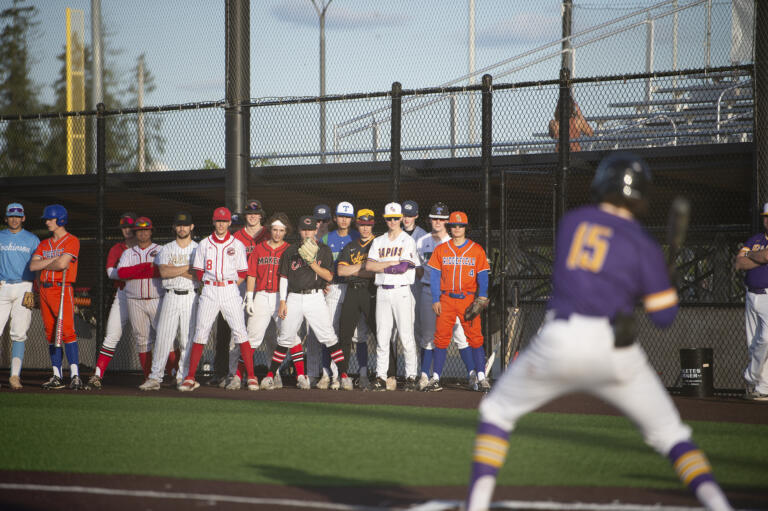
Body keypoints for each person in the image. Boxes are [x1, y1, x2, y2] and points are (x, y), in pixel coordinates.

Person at [465, 152, 733, 511]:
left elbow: (589, 273)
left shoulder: (575, 222)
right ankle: (719, 505)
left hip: (560, 340)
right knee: (672, 435)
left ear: (602, 185)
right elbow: (664, 317)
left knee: (497, 412)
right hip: (615, 350)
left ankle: (476, 504)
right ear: (640, 195)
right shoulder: (645, 245)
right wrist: (663, 284)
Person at [266, 215, 352, 390]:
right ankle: (269, 376)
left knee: (328, 337)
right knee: (285, 338)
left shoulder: (324, 250)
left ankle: (344, 375)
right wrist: (282, 301)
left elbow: (329, 276)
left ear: (315, 230)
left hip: (315, 297)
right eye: (304, 229)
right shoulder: (290, 251)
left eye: (310, 229)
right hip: (294, 297)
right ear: (299, 231)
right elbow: (283, 277)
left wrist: (312, 263)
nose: (307, 233)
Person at [180, 207, 258, 392]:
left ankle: (252, 377)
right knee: (201, 333)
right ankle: (190, 377)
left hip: (230, 289)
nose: (221, 224)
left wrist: (229, 285)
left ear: (230, 222)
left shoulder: (237, 244)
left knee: (240, 333)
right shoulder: (204, 244)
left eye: (224, 221)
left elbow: (243, 272)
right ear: (214, 222)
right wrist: (210, 284)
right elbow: (198, 271)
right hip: (210, 290)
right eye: (218, 221)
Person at [415, 202, 476, 392]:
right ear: (429, 219)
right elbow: (418, 270)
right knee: (428, 336)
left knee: (460, 336)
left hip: (451, 295)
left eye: (442, 219)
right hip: (427, 291)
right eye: (435, 218)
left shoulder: (453, 241)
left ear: (447, 221)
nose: (438, 221)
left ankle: (473, 375)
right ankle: (425, 375)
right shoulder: (421, 241)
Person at [427, 211, 490, 392]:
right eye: (454, 225)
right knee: (440, 339)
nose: (457, 228)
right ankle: (436, 378)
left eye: (460, 225)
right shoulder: (441, 249)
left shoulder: (476, 249)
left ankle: (481, 377)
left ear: (465, 228)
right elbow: (435, 276)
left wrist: (483, 295)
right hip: (446, 298)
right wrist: (435, 298)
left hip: (468, 299)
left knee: (475, 338)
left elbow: (483, 275)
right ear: (449, 227)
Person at [139, 212, 199, 391]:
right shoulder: (166, 248)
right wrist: (188, 267)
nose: (182, 228)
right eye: (179, 225)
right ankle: (155, 377)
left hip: (191, 295)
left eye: (185, 225)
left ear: (191, 227)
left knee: (187, 339)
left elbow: (198, 275)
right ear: (174, 227)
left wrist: (176, 269)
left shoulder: (199, 248)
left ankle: (183, 376)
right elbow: (164, 272)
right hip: (170, 295)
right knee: (163, 338)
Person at [365, 202, 420, 391]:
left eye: (396, 218)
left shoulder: (407, 240)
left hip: (402, 290)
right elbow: (369, 267)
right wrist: (392, 262)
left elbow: (403, 267)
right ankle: (380, 376)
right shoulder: (379, 241)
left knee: (406, 336)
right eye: (389, 218)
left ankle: (411, 376)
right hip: (382, 291)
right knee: (382, 336)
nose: (393, 221)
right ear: (385, 218)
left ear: (402, 218)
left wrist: (383, 264)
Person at [29, 204, 82, 390]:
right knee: (51, 333)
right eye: (47, 219)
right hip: (43, 289)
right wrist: (54, 261)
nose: (47, 222)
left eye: (50, 219)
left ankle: (75, 375)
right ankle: (57, 376)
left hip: (62, 288)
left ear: (60, 220)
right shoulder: (44, 243)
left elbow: (62, 265)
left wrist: (48, 263)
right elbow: (33, 267)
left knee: (67, 331)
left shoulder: (72, 240)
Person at [309, 201, 360, 390]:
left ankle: (341, 374)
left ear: (351, 219)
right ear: (335, 218)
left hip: (353, 289)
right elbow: (318, 265)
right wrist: (321, 283)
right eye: (341, 216)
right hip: (333, 288)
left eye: (347, 217)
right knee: (328, 332)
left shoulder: (357, 236)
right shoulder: (326, 239)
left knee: (349, 335)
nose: (344, 220)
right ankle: (326, 373)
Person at [242, 212, 292, 390]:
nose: (277, 233)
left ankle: (276, 375)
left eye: (281, 230)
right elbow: (252, 274)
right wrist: (249, 297)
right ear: (269, 230)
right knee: (252, 337)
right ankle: (241, 375)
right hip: (262, 295)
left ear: (286, 231)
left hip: (281, 297)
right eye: (275, 230)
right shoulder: (259, 248)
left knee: (286, 336)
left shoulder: (289, 249)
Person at [88, 212, 138, 389]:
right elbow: (110, 272)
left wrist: (128, 273)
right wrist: (135, 272)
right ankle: (97, 375)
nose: (127, 230)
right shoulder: (117, 248)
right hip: (123, 293)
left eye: (130, 226)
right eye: (124, 227)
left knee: (155, 338)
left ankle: (166, 375)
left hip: (144, 296)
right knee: (111, 335)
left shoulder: (145, 246)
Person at [225, 199, 270, 389]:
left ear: (261, 216)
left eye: (256, 213)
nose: (252, 216)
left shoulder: (269, 234)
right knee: (237, 334)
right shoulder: (236, 236)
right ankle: (234, 374)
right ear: (245, 216)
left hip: (264, 288)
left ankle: (271, 373)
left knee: (270, 336)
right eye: (249, 213)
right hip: (241, 286)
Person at [115, 217, 163, 380]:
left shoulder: (161, 249)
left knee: (166, 337)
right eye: (139, 230)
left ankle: (172, 373)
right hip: (134, 300)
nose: (142, 233)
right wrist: (145, 267)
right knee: (142, 340)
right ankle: (148, 376)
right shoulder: (128, 252)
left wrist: (134, 272)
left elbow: (160, 272)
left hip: (157, 299)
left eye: (145, 230)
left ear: (151, 231)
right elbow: (121, 274)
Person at [336, 208, 377, 390]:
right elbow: (341, 271)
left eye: (368, 224)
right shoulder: (351, 246)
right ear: (357, 225)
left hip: (371, 292)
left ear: (372, 225)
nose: (365, 228)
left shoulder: (378, 243)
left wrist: (357, 270)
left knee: (379, 334)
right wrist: (364, 266)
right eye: (362, 224)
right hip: (352, 291)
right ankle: (343, 374)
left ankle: (387, 375)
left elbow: (376, 272)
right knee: (344, 334)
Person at [0, 203, 39, 390]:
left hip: (25, 286)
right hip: (2, 285)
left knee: (19, 332)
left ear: (23, 218)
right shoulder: (0, 236)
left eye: (18, 216)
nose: (14, 219)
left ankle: (15, 376)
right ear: (6, 218)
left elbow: (39, 265)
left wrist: (34, 289)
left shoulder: (32, 239)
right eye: (10, 216)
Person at [733, 202, 768, 401]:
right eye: (765, 216)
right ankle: (762, 388)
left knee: (765, 339)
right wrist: (758, 257)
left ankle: (750, 375)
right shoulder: (755, 239)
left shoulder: (754, 244)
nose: (766, 220)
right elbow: (739, 262)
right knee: (754, 343)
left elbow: (766, 255)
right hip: (751, 295)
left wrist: (751, 256)